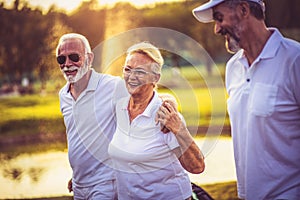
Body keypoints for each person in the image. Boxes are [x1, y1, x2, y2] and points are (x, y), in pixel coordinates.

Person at [193, 0, 300, 199]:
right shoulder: (233, 68)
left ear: (243, 10)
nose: (216, 29)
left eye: (219, 18)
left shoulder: (294, 60)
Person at [108, 42, 205, 200]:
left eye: (140, 72)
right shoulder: (118, 108)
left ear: (155, 78)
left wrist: (179, 129)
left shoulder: (165, 116)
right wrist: (85, 177)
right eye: (127, 69)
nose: (131, 77)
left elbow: (197, 166)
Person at [56, 33, 128, 199]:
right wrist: (77, 176)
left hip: (106, 183)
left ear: (89, 58)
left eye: (74, 57)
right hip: (79, 184)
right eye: (61, 59)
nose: (67, 64)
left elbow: (146, 97)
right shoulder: (63, 94)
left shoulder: (113, 86)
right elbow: (77, 137)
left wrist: (170, 104)